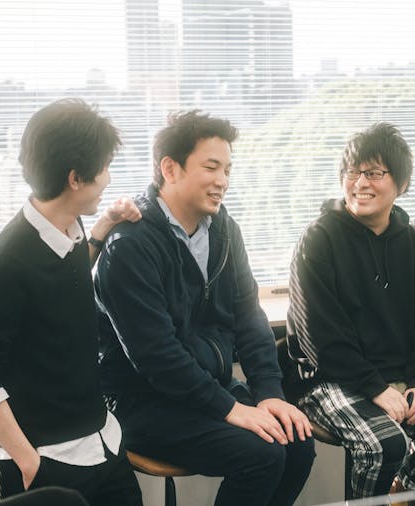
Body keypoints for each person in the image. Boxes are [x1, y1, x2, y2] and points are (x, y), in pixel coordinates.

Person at [94, 110, 315, 506]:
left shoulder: (224, 230)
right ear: (170, 169)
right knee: (262, 456)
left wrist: (268, 393)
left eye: (227, 169)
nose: (222, 181)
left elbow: (248, 316)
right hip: (142, 401)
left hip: (207, 388)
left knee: (297, 442)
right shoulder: (129, 245)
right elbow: (157, 356)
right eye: (211, 167)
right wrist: (231, 408)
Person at [0, 99, 143, 505]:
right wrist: (28, 462)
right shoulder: (3, 266)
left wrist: (104, 226)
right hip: (47, 460)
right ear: (75, 178)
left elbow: (60, 279)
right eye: (104, 168)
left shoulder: (68, 225)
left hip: (101, 439)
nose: (108, 179)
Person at [286, 122, 415, 501]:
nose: (361, 182)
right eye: (353, 172)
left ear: (401, 184)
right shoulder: (319, 238)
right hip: (328, 380)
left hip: (398, 378)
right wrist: (374, 388)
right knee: (385, 445)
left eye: (375, 173)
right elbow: (319, 336)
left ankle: (400, 494)